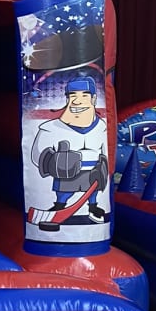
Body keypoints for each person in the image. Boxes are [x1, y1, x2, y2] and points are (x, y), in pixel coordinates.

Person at [30, 76, 109, 231]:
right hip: (66, 173)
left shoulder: (101, 127)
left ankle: (93, 207)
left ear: (93, 99)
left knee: (92, 191)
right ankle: (59, 208)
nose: (77, 101)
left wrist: (103, 166)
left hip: (93, 172)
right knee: (64, 192)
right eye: (73, 96)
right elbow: (37, 154)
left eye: (84, 96)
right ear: (67, 99)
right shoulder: (51, 128)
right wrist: (53, 161)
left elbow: (105, 152)